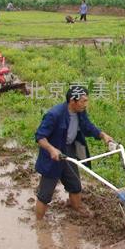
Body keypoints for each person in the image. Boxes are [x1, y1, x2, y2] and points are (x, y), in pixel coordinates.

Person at [34, 85, 114, 220]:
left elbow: (88, 126)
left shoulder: (80, 111)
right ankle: (39, 224)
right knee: (45, 194)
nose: (86, 104)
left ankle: (77, 209)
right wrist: (52, 149)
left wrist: (103, 135)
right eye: (83, 101)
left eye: (86, 100)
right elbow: (40, 136)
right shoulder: (54, 115)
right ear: (73, 101)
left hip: (69, 151)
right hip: (53, 157)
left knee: (75, 185)